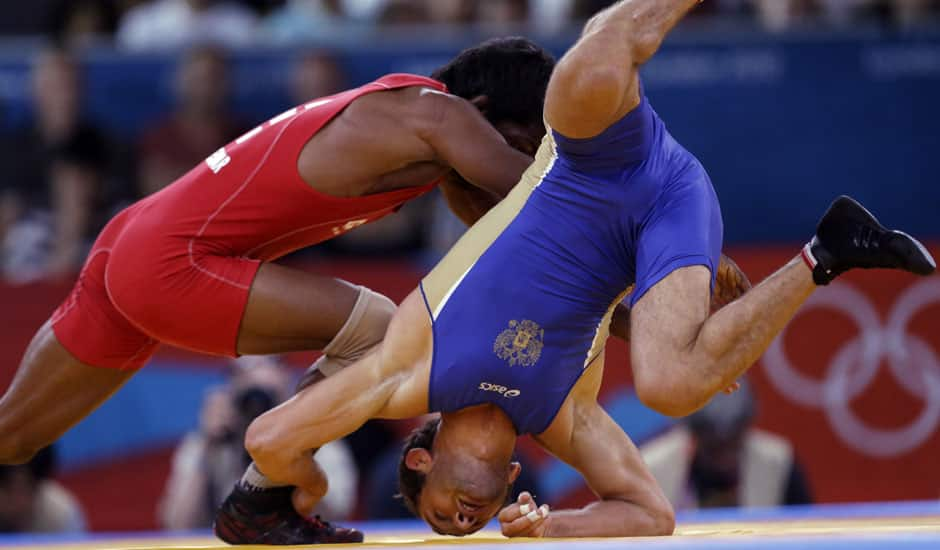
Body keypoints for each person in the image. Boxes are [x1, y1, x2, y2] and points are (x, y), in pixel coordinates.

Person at [238, 0, 936, 541]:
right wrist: (552, 526)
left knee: (582, 79)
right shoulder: (562, 417)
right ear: (514, 478)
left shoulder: (405, 371)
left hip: (586, 163)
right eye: (471, 528)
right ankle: (831, 250)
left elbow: (267, 439)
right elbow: (651, 513)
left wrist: (303, 489)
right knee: (671, 387)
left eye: (440, 517)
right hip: (669, 208)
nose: (461, 524)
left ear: (422, 462)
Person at [0, 37, 559, 544]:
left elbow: (506, 234)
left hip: (134, 241)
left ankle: (270, 483)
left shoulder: (412, 120)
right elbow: (548, 202)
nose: (524, 156)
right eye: (524, 142)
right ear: (484, 111)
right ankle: (263, 495)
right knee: (380, 329)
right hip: (170, 263)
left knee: (13, 438)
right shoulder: (439, 112)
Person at [160, 357, 358, 529]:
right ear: (229, 387)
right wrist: (207, 444)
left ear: (285, 379)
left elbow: (334, 518)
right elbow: (178, 524)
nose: (257, 403)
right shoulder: (209, 442)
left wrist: (293, 455)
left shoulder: (317, 439)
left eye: (265, 392)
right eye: (240, 372)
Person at [641, 379, 812, 510]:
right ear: (694, 434)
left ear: (746, 429)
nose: (724, 459)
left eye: (733, 445)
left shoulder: (779, 463)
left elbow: (805, 535)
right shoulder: (653, 467)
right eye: (714, 448)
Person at [138, 46, 247, 197]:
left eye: (214, 79)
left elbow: (247, 186)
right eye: (198, 79)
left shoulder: (245, 135)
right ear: (180, 82)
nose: (205, 88)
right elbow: (156, 189)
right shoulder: (159, 135)